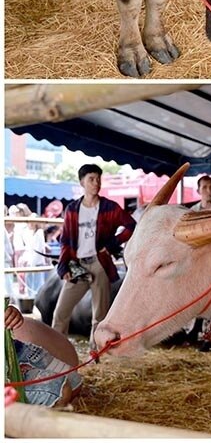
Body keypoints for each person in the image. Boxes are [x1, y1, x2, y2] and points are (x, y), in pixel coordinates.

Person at [52, 163, 137, 348]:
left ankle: (96, 354)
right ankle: (56, 351)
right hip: (78, 265)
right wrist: (63, 266)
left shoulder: (109, 207)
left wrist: (112, 243)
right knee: (61, 312)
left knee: (100, 315)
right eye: (91, 179)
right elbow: (65, 240)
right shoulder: (72, 209)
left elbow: (131, 225)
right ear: (82, 182)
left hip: (100, 263)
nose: (96, 182)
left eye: (98, 178)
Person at [6, 304, 82, 407]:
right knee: (60, 390)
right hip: (7, 373)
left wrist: (11, 314)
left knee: (75, 382)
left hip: (16, 351)